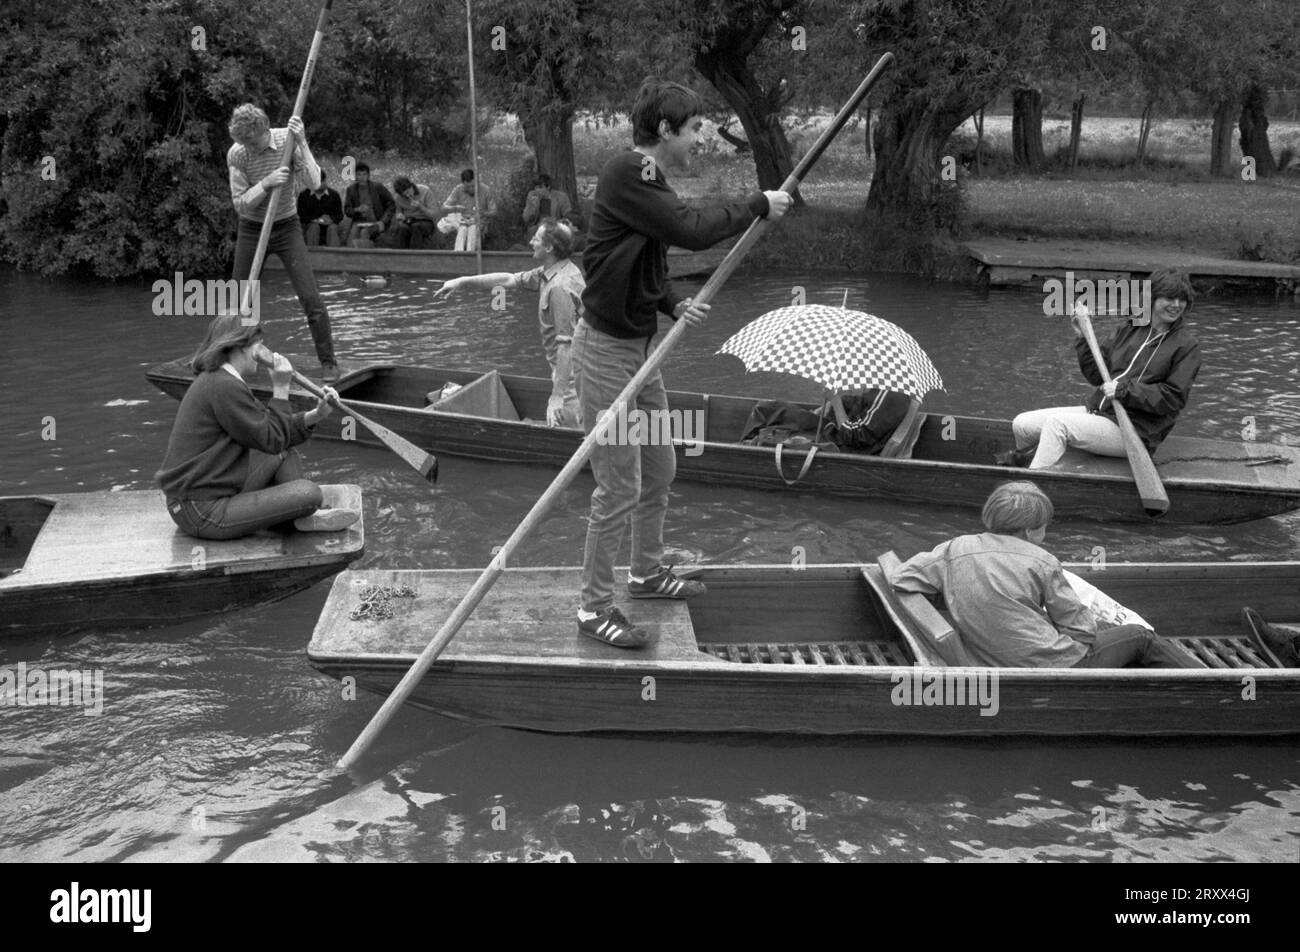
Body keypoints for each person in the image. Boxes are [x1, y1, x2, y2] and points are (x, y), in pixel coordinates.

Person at [572, 78, 793, 649]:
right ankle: (593, 607)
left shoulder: (648, 180)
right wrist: (756, 205)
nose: (699, 138)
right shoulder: (630, 170)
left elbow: (638, 257)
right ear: (665, 130)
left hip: (643, 350)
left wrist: (670, 302)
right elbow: (691, 231)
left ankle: (644, 574)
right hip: (603, 354)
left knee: (661, 468)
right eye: (693, 128)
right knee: (617, 485)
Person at [887, 481, 1202, 668]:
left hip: (986, 656)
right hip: (1053, 663)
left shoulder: (954, 548)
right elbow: (1081, 633)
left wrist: (964, 591)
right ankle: (1212, 683)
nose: (1045, 532)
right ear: (1028, 530)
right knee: (1141, 637)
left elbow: (902, 577)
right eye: (1044, 527)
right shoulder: (1042, 561)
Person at [157, 314, 358, 541]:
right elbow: (271, 438)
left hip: (208, 493)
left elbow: (271, 433)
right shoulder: (223, 386)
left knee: (284, 453)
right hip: (201, 511)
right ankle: (302, 512)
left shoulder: (223, 379)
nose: (262, 352)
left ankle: (302, 517)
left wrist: (317, 414)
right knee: (309, 493)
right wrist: (281, 388)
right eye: (258, 344)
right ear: (240, 347)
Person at [1003, 269, 1202, 469]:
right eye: (1169, 298)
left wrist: (1124, 390)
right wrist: (1083, 338)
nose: (1176, 305)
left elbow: (1173, 397)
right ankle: (1044, 467)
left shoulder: (1186, 346)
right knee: (1022, 424)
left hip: (1136, 431)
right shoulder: (1131, 328)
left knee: (1057, 425)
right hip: (1100, 413)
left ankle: (1030, 487)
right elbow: (1097, 376)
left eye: (1182, 299)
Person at [433, 218, 583, 427]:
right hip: (570, 372)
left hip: (572, 376)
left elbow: (565, 346)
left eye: (536, 238)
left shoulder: (559, 287)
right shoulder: (553, 271)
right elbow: (508, 280)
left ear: (549, 247)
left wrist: (557, 396)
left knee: (574, 439)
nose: (531, 241)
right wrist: (462, 281)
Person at [226, 104, 339, 382]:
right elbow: (240, 204)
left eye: (251, 141)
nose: (247, 147)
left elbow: (315, 184)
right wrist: (266, 183)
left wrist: (302, 141)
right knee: (238, 299)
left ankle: (328, 362)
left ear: (265, 131)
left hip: (287, 226)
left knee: (310, 297)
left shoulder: (287, 143)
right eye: (243, 142)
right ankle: (231, 356)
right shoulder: (237, 153)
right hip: (253, 228)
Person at [342, 162, 396, 246]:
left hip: (377, 221)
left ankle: (365, 257)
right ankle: (351, 257)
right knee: (353, 234)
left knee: (365, 232)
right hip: (359, 221)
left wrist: (383, 221)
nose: (361, 177)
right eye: (359, 174)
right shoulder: (351, 189)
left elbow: (391, 205)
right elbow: (347, 210)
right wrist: (357, 209)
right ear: (355, 176)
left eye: (364, 174)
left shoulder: (378, 187)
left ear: (368, 175)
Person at [444, 169, 495, 251]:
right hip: (463, 221)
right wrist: (456, 208)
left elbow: (494, 212)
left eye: (474, 186)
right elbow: (445, 206)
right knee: (462, 230)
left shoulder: (486, 190)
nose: (471, 189)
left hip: (480, 222)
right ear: (463, 183)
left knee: (472, 229)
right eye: (468, 187)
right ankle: (459, 255)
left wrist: (483, 213)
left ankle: (470, 255)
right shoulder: (458, 189)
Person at [390, 175, 441, 250]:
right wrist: (399, 216)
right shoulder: (398, 197)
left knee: (416, 227)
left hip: (426, 221)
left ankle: (414, 256)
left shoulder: (425, 191)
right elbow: (398, 212)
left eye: (408, 192)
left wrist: (421, 207)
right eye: (404, 195)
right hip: (408, 220)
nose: (408, 195)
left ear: (411, 186)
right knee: (401, 229)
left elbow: (434, 215)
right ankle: (398, 256)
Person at [297, 169, 344, 247]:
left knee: (332, 229)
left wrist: (331, 219)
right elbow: (301, 216)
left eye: (322, 182)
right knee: (314, 227)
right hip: (312, 225)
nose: (320, 185)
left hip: (330, 225)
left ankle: (334, 254)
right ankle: (311, 254)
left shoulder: (334, 195)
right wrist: (316, 220)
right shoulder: (304, 195)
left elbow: (339, 215)